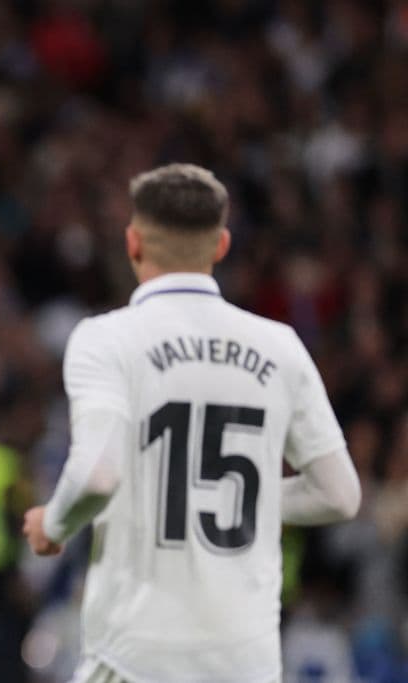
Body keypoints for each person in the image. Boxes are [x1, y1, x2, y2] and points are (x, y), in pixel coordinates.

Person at [21, 164, 362, 683]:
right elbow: (340, 495)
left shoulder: (107, 339)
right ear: (221, 245)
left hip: (135, 657)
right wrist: (225, 497)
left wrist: (53, 524)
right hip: (244, 661)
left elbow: (96, 475)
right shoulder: (280, 347)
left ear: (134, 242)